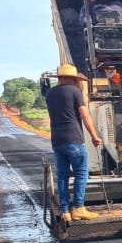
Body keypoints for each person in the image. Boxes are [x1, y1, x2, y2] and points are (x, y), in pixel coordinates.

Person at [46, 63, 104, 223]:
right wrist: (94, 136)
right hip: (74, 139)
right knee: (80, 173)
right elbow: (85, 116)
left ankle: (65, 211)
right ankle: (78, 208)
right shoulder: (74, 92)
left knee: (63, 176)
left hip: (57, 140)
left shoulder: (50, 93)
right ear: (73, 79)